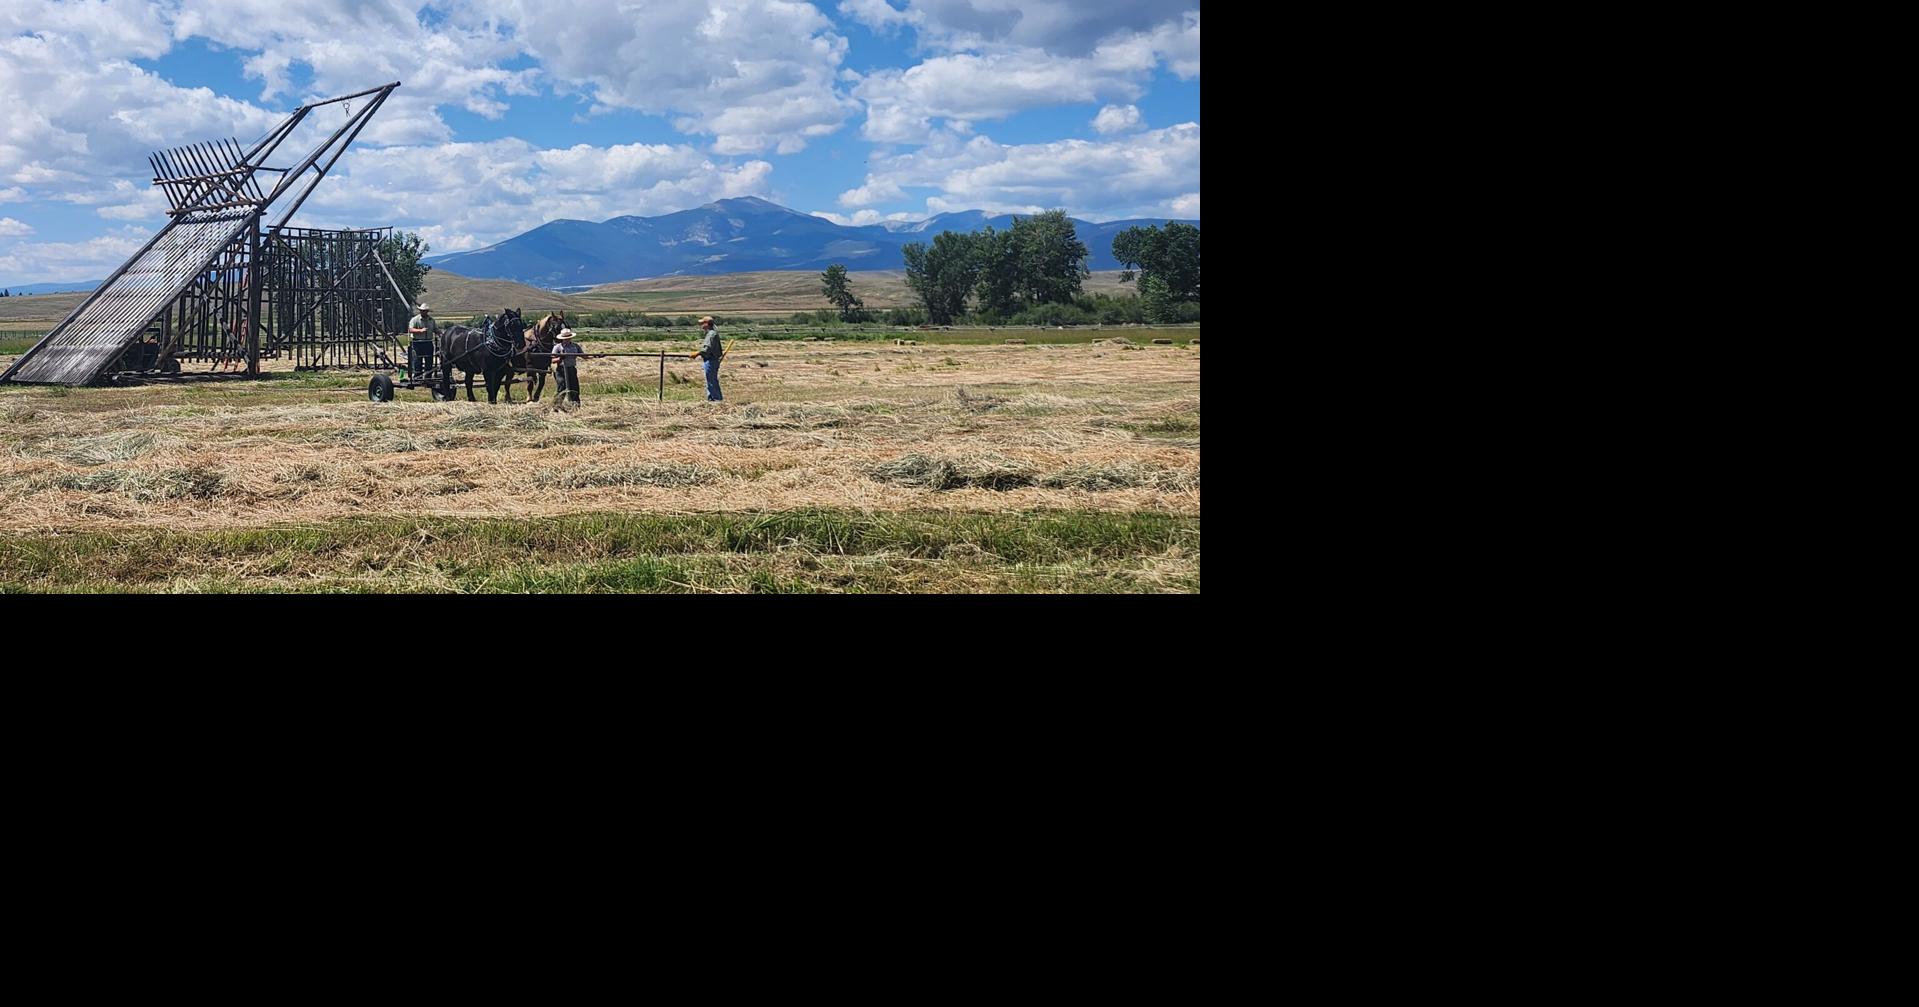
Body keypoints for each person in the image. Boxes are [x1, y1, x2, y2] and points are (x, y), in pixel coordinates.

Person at [688, 315, 723, 401]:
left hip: (711, 360)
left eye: (702, 323)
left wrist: (697, 353)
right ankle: (713, 399)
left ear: (707, 324)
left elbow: (707, 348)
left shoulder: (711, 334)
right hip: (712, 360)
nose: (701, 325)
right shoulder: (712, 333)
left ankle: (715, 400)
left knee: (711, 381)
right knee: (711, 380)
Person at [407, 303, 438, 380]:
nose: (424, 312)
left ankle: (428, 377)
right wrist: (420, 331)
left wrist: (441, 334)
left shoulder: (431, 320)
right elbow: (410, 329)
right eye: (422, 311)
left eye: (425, 311)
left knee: (429, 360)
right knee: (417, 360)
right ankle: (417, 377)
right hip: (418, 343)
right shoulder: (415, 320)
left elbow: (436, 329)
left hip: (428, 342)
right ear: (420, 311)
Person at [552, 327, 582, 403]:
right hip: (561, 370)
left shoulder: (575, 346)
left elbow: (584, 356)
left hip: (571, 369)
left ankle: (575, 405)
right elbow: (552, 360)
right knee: (562, 387)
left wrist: (596, 356)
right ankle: (557, 405)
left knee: (574, 387)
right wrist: (560, 358)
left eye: (568, 338)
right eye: (565, 338)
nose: (567, 340)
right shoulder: (557, 347)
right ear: (562, 338)